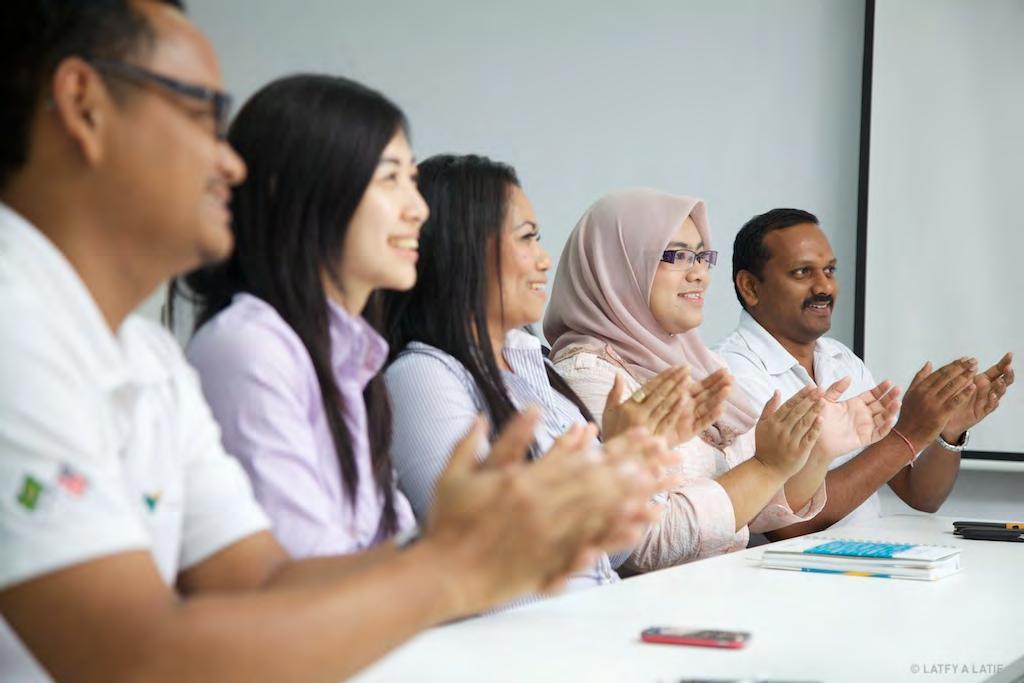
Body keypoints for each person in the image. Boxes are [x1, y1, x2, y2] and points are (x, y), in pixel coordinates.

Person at [0, 2, 672, 679]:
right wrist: (454, 566)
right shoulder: (18, 330)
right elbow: (131, 657)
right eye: (203, 113)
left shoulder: (144, 354)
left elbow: (260, 581)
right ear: (84, 104)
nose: (229, 165)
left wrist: (480, 542)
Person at [381, 160, 727, 592]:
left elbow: (610, 554)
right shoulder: (423, 377)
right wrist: (616, 463)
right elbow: (481, 557)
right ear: (463, 248)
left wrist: (629, 457)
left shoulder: (537, 370)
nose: (545, 260)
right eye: (527, 238)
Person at [544, 189, 899, 569]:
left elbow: (759, 508)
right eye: (677, 255)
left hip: (722, 592)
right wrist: (768, 465)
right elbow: (643, 545)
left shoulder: (697, 363)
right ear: (618, 267)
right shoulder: (589, 376)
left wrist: (815, 454)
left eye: (701, 255)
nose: (698, 272)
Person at [179, 74, 424, 558]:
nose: (418, 208)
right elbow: (310, 567)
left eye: (412, 180)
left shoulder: (351, 354)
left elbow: (386, 546)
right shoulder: (249, 348)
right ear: (300, 190)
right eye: (389, 178)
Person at [717, 208, 1014, 535]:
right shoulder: (731, 371)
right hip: (789, 578)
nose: (824, 287)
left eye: (829, 270)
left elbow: (920, 494)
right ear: (750, 287)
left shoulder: (840, 359)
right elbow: (783, 524)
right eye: (802, 272)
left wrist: (947, 432)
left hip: (866, 566)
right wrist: (907, 436)